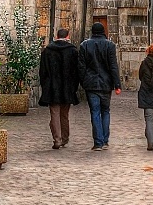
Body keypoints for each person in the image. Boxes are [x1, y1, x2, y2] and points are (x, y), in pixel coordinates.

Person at [78, 22, 121, 151]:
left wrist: (83, 81)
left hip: (91, 84)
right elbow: (113, 66)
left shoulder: (85, 45)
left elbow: (81, 67)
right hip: (106, 83)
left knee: (95, 112)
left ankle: (98, 142)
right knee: (105, 111)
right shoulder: (110, 45)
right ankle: (105, 140)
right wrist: (117, 84)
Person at [39, 27, 79, 149]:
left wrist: (45, 85)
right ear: (67, 36)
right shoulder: (72, 51)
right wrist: (74, 86)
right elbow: (76, 71)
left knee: (54, 114)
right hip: (67, 87)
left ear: (56, 36)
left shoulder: (47, 51)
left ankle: (57, 139)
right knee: (64, 114)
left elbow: (43, 71)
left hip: (52, 87)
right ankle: (65, 138)